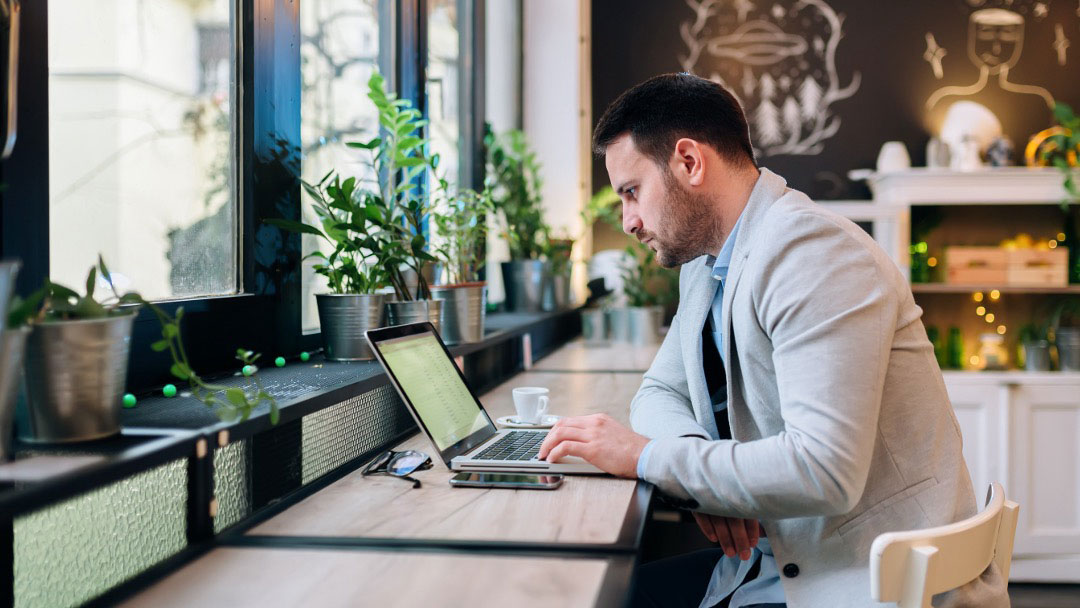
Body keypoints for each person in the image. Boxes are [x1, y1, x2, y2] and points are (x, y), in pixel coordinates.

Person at [537, 73, 1008, 607]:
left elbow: (823, 471)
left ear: (689, 162)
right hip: (782, 561)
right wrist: (697, 474)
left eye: (632, 191)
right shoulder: (708, 260)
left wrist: (649, 458)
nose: (628, 220)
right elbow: (659, 392)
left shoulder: (814, 252)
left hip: (865, 582)